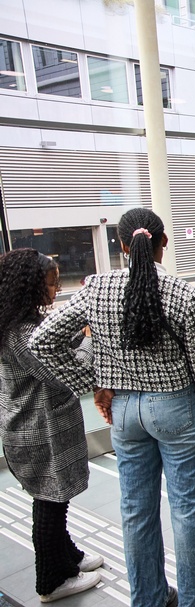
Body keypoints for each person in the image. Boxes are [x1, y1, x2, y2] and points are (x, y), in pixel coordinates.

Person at [29, 208, 195, 607]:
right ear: (163, 243)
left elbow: (43, 341)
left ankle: (150, 599)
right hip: (176, 410)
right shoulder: (185, 294)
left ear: (123, 246)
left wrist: (92, 382)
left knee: (136, 511)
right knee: (188, 510)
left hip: (123, 412)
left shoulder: (97, 288)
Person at [0, 249, 103, 603]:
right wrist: (88, 339)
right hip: (37, 433)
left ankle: (67, 557)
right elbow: (66, 374)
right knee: (50, 504)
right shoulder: (23, 334)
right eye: (50, 283)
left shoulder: (19, 323)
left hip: (32, 429)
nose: (56, 289)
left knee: (53, 499)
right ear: (29, 286)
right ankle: (51, 581)